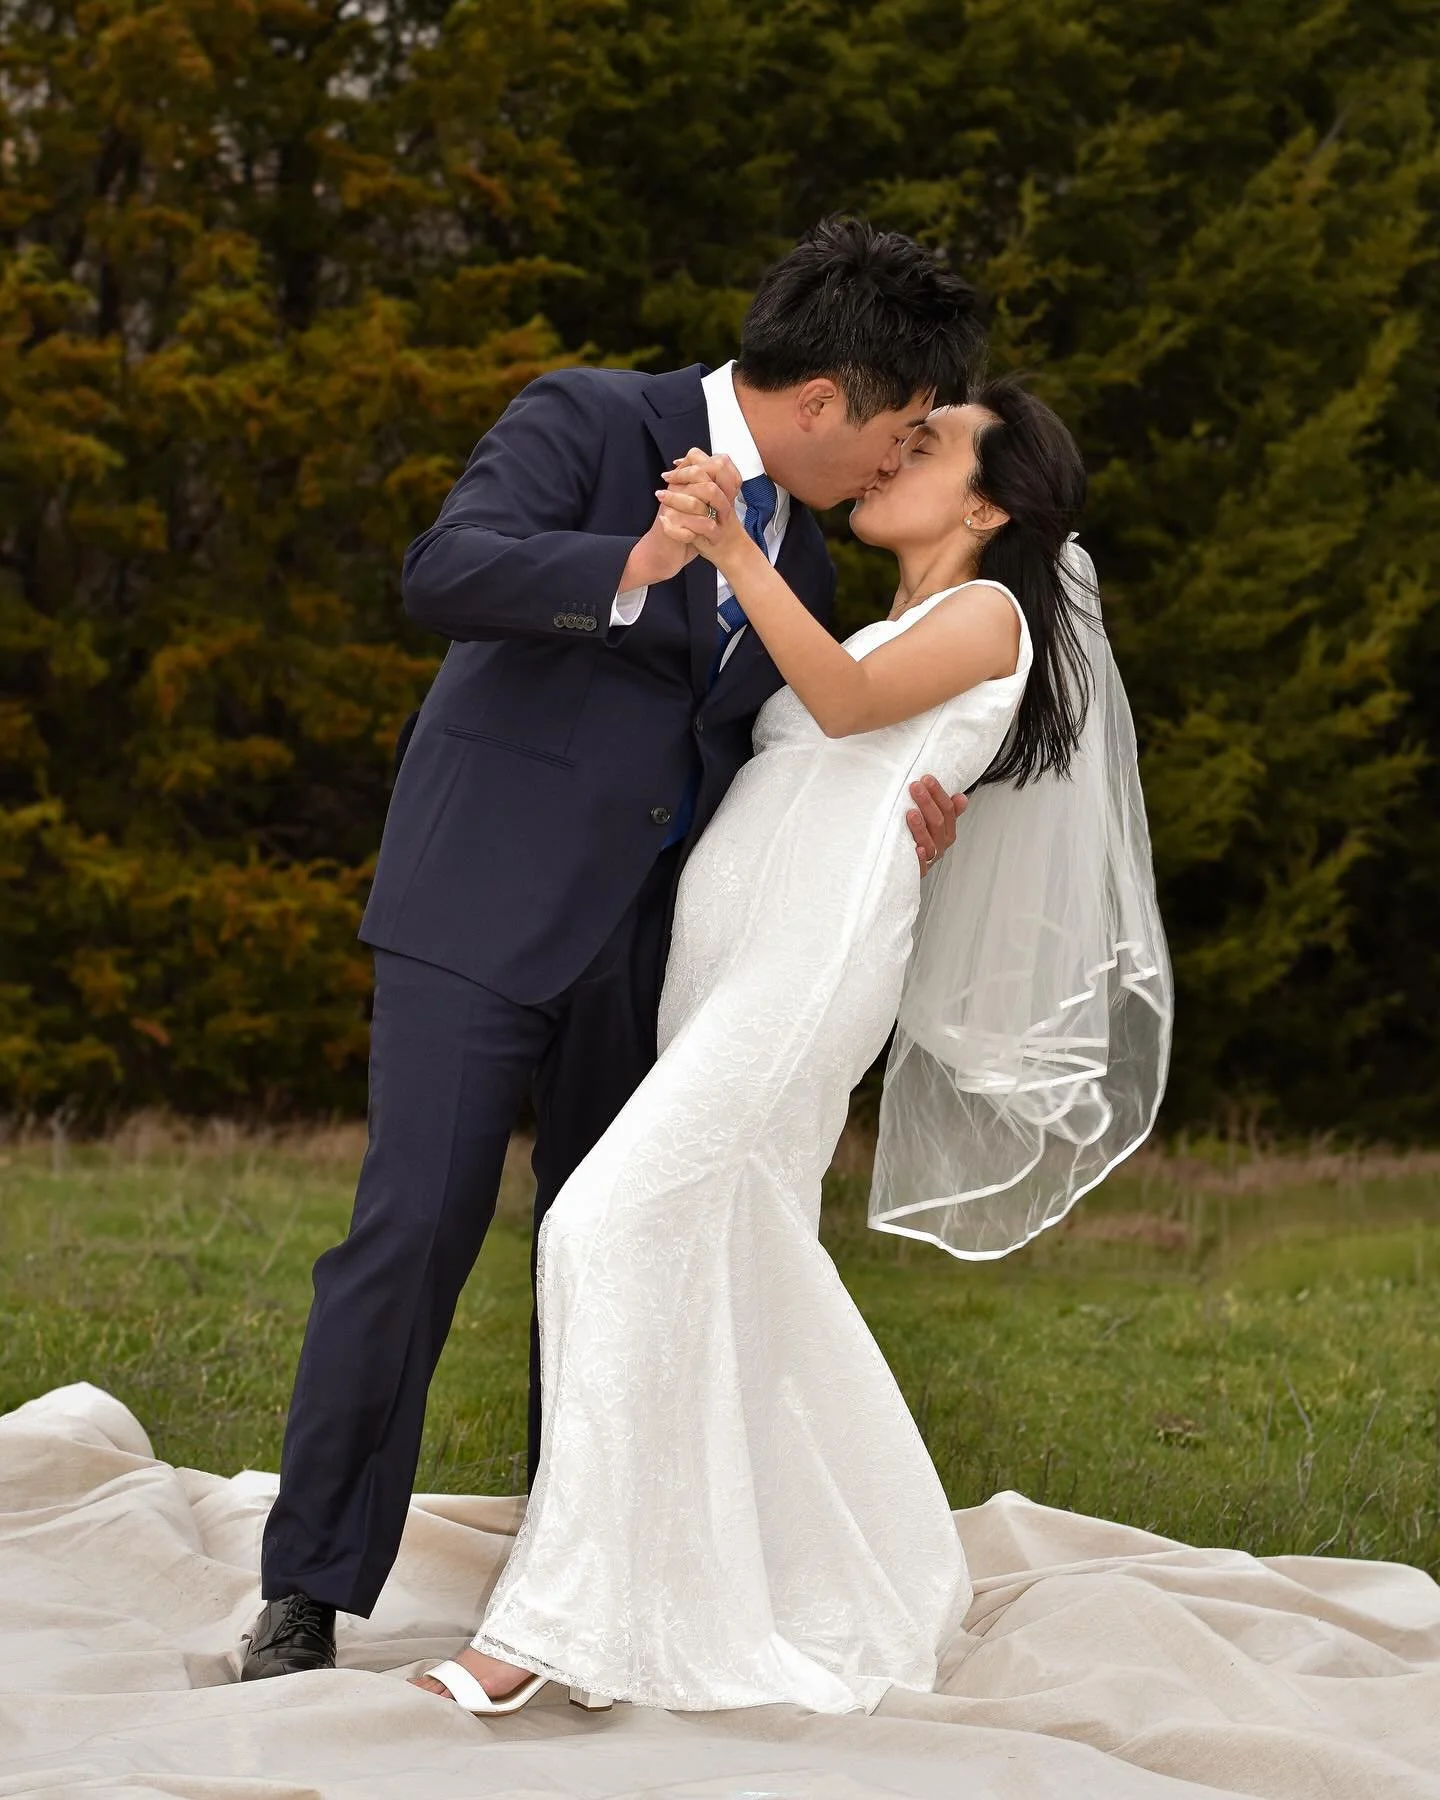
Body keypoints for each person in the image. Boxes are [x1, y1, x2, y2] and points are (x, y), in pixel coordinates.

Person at [241, 218, 983, 1681]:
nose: (898, 465)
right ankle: (306, 1591)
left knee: (605, 1254)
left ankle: (565, 1585)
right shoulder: (589, 415)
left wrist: (899, 815)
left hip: (646, 952)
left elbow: (788, 740)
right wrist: (639, 557)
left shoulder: (807, 566)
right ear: (825, 399)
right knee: (412, 1238)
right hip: (476, 908)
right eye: (897, 432)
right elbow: (445, 571)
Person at [409, 377, 1171, 1716]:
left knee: (601, 1227)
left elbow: (846, 704)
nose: (889, 456)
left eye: (925, 448)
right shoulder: (903, 613)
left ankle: (548, 1626)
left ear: (987, 505)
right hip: (724, 961)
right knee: (736, 1260)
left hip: (809, 966)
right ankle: (824, 1569)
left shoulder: (987, 610)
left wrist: (730, 551)